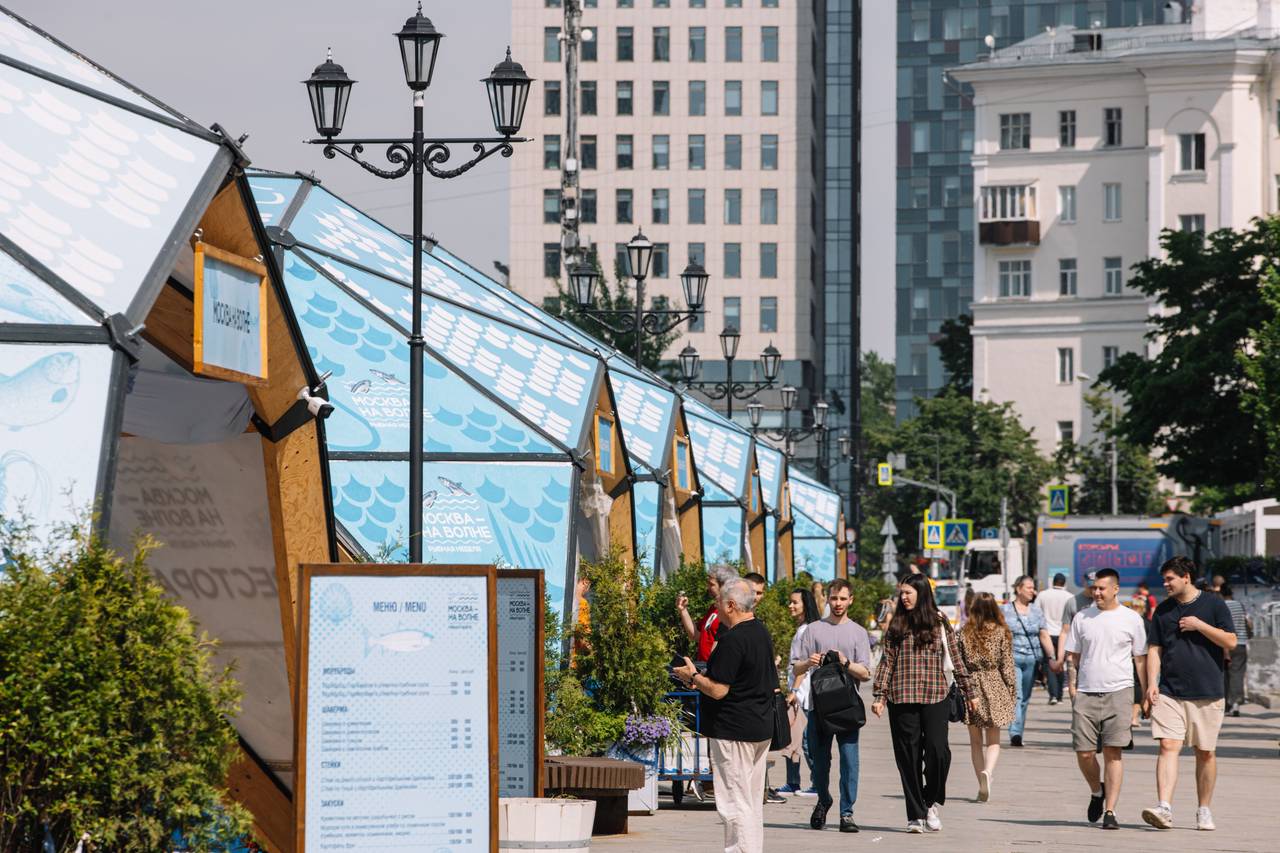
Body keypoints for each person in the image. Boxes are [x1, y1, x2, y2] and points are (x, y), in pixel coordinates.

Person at [673, 578, 777, 853]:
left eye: (719, 602)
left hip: (734, 732)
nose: (716, 607)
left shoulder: (733, 639)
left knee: (735, 804)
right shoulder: (760, 632)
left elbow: (718, 690)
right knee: (750, 803)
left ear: (731, 605)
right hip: (758, 729)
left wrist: (693, 675)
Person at [1140, 557, 1237, 832]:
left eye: (1170, 578)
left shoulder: (1214, 604)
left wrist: (1200, 626)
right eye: (1164, 578)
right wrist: (1151, 683)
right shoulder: (1163, 610)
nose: (1165, 583)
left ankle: (1204, 809)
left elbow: (1231, 641)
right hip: (1170, 691)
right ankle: (1164, 808)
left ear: (1186, 578)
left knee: (1205, 753)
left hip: (1208, 691)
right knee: (1168, 745)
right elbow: (1155, 649)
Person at [872, 573, 974, 834]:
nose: (903, 598)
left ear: (921, 593)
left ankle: (930, 800)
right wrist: (880, 695)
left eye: (908, 593)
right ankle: (915, 815)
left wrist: (969, 691)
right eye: (901, 593)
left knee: (938, 751)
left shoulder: (939, 622)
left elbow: (955, 657)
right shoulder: (897, 625)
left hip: (935, 695)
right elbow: (887, 661)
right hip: (901, 697)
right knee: (909, 756)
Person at [1064, 568, 1148, 830]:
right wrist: (1072, 688)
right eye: (1094, 588)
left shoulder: (1131, 619)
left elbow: (1140, 659)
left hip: (1119, 692)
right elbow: (1072, 657)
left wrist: (1144, 695)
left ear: (1115, 589)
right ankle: (1096, 790)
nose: (1096, 592)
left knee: (1114, 752)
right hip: (1086, 693)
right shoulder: (1082, 617)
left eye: (1102, 588)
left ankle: (1110, 810)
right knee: (1084, 752)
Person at [792, 578, 873, 833]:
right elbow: (796, 666)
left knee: (850, 761)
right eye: (834, 598)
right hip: (819, 708)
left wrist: (846, 662)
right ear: (827, 599)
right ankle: (823, 799)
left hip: (847, 707)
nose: (838, 603)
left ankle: (846, 813)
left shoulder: (859, 633)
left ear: (851, 600)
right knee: (819, 762)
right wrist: (809, 662)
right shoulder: (814, 630)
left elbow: (866, 673)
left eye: (843, 599)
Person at [958, 592, 1017, 803]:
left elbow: (960, 664)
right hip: (995, 685)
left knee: (975, 741)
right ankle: (988, 774)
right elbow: (1007, 666)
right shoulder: (1001, 632)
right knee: (994, 739)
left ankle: (980, 781)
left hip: (971, 686)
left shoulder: (964, 632)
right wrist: (1011, 691)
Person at [1001, 576, 1054, 746]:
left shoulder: (1037, 611)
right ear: (1018, 589)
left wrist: (1052, 658)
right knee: (1016, 695)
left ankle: (1018, 733)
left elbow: (1044, 635)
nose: (1033, 591)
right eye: (1029, 588)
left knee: (1025, 699)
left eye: (1033, 588)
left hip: (1032, 658)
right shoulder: (1004, 610)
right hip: (1011, 658)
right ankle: (1014, 733)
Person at [778, 588, 821, 797]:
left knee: (807, 740)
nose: (790, 606)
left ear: (806, 604)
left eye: (795, 602)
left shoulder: (807, 630)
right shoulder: (803, 629)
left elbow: (805, 664)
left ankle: (817, 783)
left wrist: (794, 690)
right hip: (799, 692)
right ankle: (793, 782)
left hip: (804, 694)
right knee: (795, 738)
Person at [678, 564, 739, 661]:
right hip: (704, 667)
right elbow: (696, 636)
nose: (708, 587)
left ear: (724, 586)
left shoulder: (731, 611)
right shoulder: (714, 609)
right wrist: (683, 610)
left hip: (716, 668)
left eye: (711, 584)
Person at [1036, 574, 1073, 706]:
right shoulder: (1069, 597)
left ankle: (1053, 695)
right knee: (1061, 663)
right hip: (1064, 634)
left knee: (1049, 663)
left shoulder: (1043, 595)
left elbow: (1036, 611)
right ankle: (1061, 696)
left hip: (1047, 633)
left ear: (1053, 582)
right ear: (1064, 583)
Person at [1221, 584, 1252, 716]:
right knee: (1237, 674)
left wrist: (1225, 649)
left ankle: (1229, 704)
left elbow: (1222, 627)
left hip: (1226, 644)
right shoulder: (1240, 605)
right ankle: (1235, 704)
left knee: (1226, 675)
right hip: (1241, 644)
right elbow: (1248, 623)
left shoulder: (1221, 606)